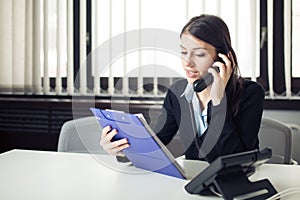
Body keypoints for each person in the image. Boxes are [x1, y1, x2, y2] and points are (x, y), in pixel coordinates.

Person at [100, 14, 265, 163]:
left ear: (222, 59)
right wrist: (123, 148)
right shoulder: (178, 93)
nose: (187, 63)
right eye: (184, 52)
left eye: (199, 54)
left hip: (237, 185)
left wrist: (218, 101)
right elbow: (156, 142)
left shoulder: (250, 93)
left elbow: (235, 158)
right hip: (195, 182)